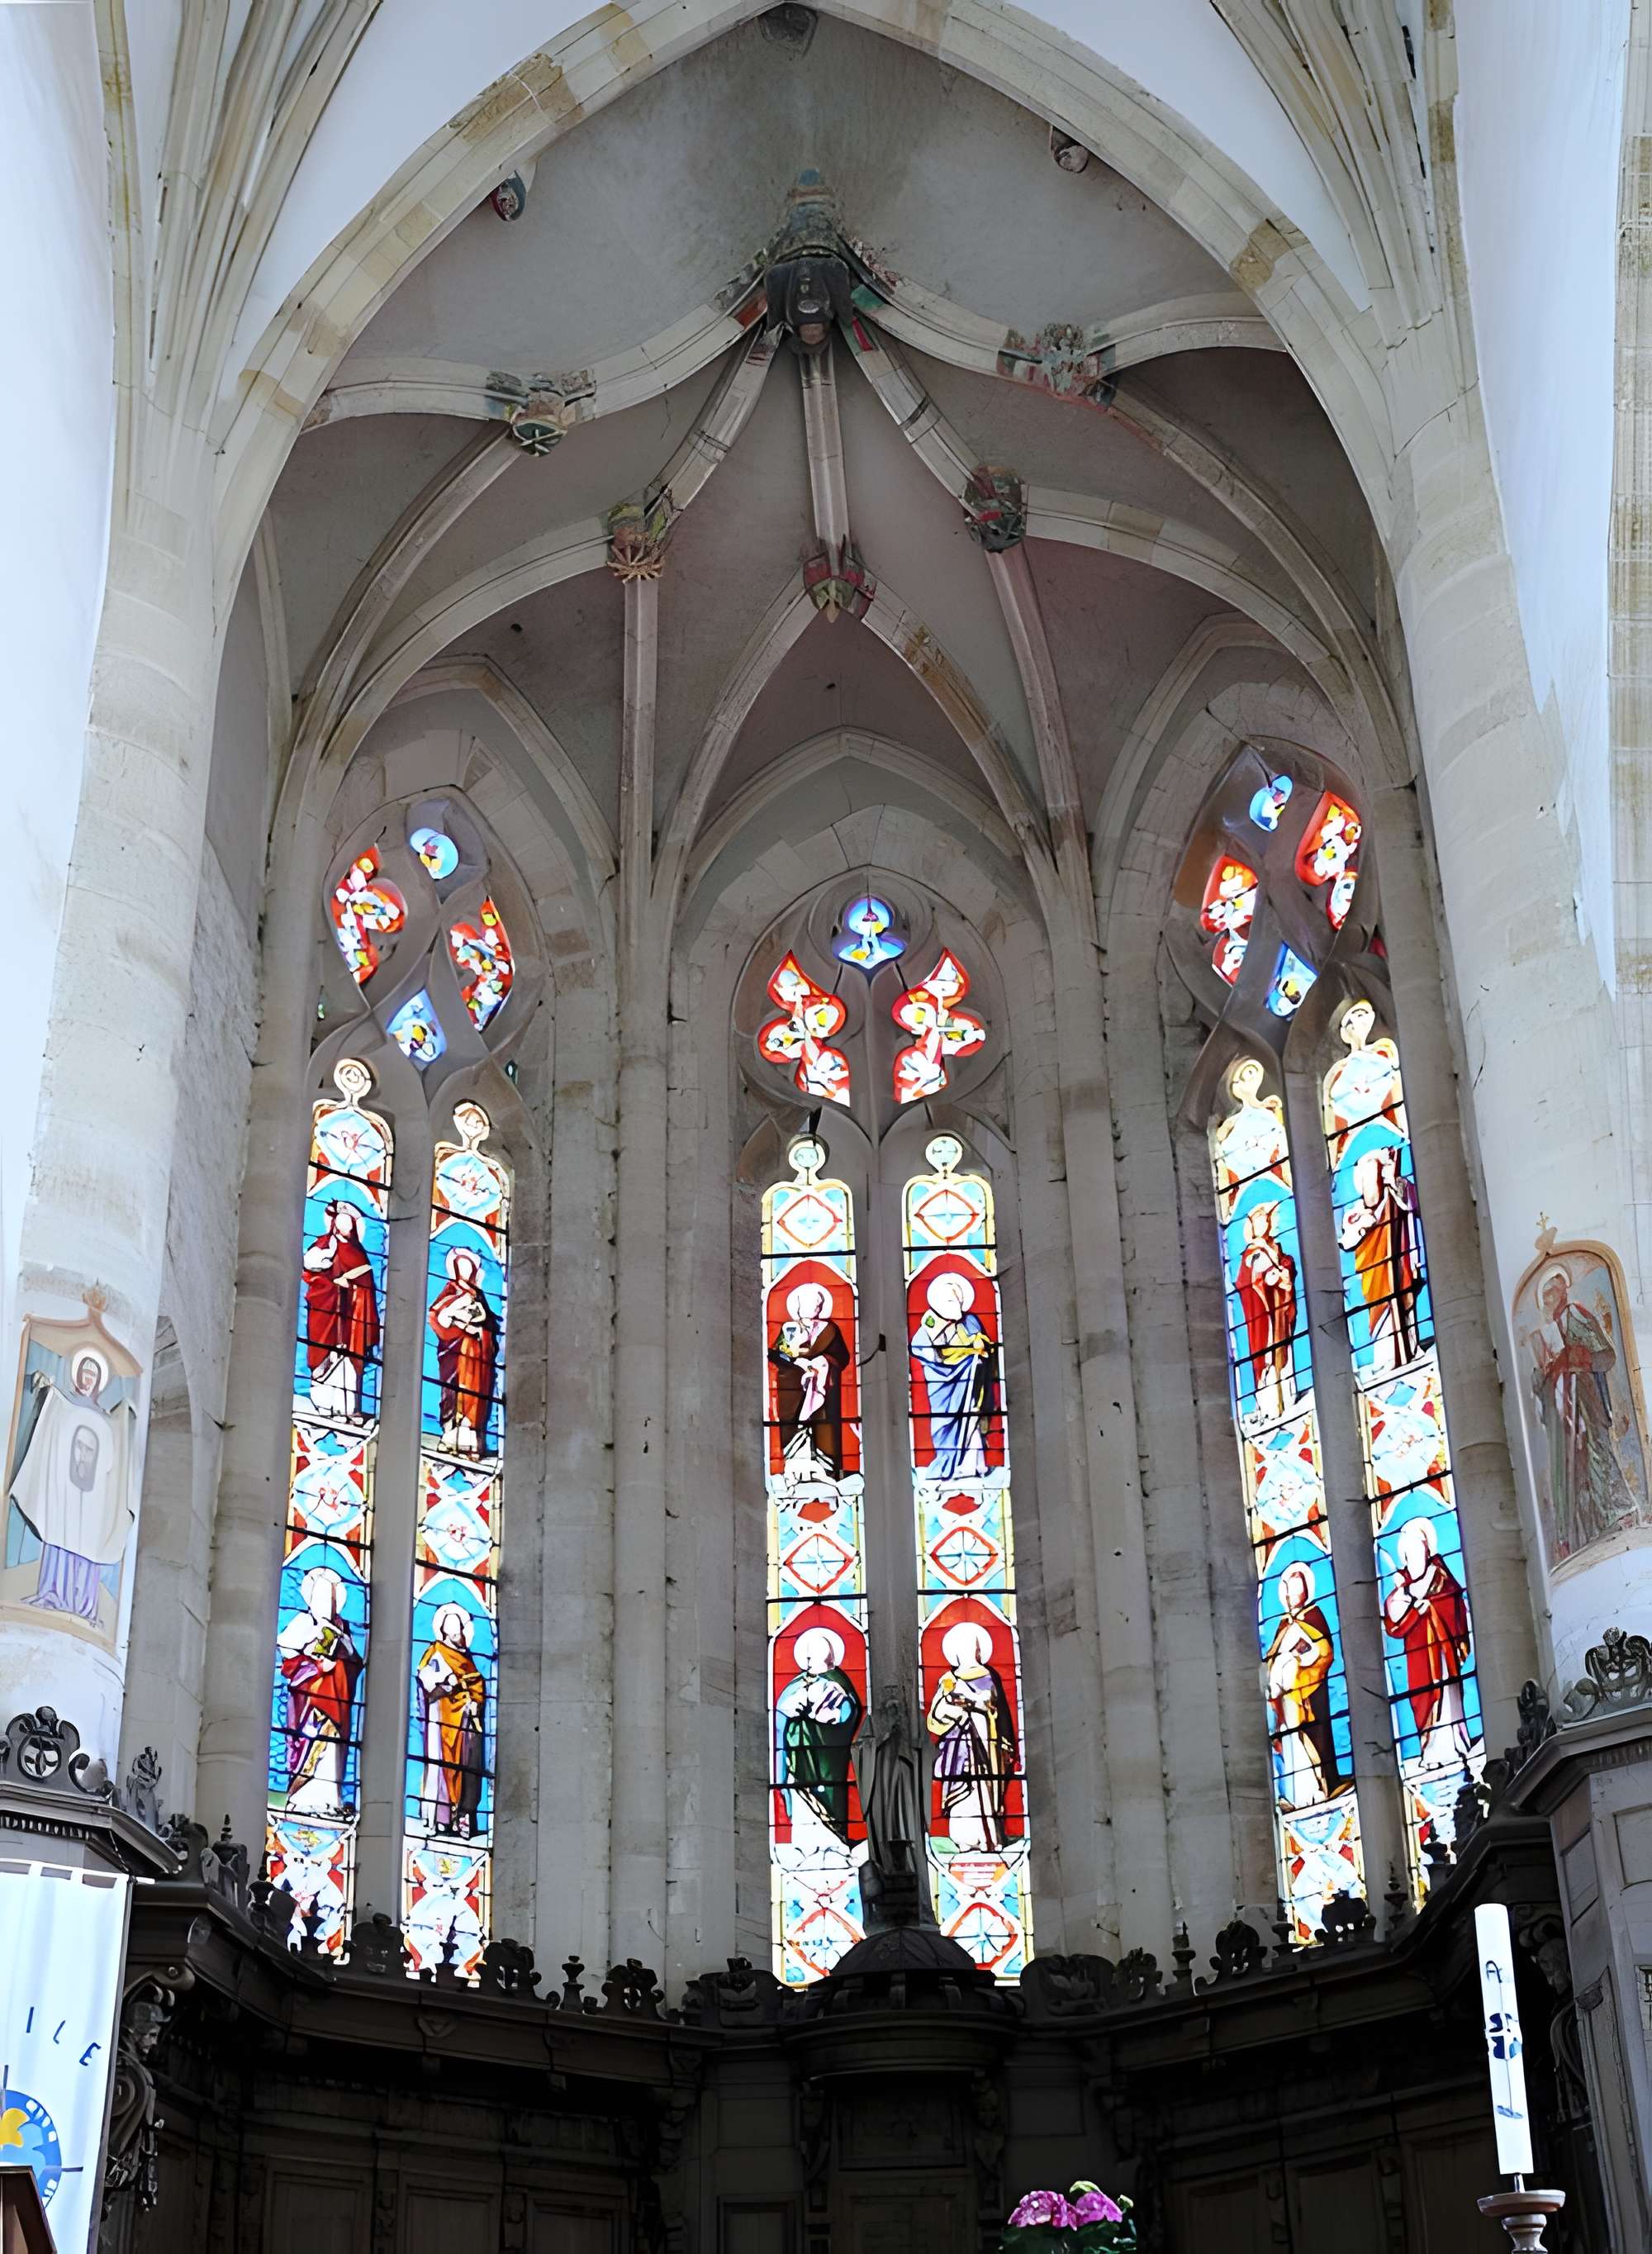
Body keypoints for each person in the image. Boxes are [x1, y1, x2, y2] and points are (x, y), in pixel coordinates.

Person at [7, 1346, 136, 1624]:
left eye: (93, 1375)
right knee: (60, 1537)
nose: (88, 1379)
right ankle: (52, 1591)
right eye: (85, 1373)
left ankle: (84, 1603)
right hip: (65, 1490)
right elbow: (55, 1438)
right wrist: (46, 1389)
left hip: (91, 1496)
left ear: (99, 1381)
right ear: (77, 1375)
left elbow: (110, 1460)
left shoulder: (106, 1419)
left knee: (87, 1542)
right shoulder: (63, 1404)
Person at [1527, 1263, 1641, 1560]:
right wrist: (1544, 1374)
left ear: (1563, 1289)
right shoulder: (1546, 1334)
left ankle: (1619, 1516)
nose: (1549, 1300)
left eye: (1552, 1291)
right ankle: (1587, 1533)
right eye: (1545, 1296)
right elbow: (1541, 1392)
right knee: (1574, 1473)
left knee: (1599, 1458)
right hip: (1564, 1417)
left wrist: (1580, 1358)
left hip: (1588, 1405)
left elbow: (1608, 1356)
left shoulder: (1578, 1315)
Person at [1381, 1517, 1473, 1767]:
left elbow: (1451, 1600)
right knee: (1421, 1698)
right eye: (1409, 1550)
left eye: (1419, 1547)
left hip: (1442, 1649)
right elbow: (1394, 1621)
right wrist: (1411, 1604)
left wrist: (1426, 1606)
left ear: (1428, 1549)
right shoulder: (1401, 1587)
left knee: (1445, 1693)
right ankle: (1430, 1750)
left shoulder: (1439, 1573)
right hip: (1418, 1653)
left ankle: (1454, 1745)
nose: (1415, 1554)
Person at [277, 1567, 363, 1814]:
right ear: (311, 1599)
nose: (325, 1603)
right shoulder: (304, 1622)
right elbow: (287, 1651)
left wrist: (343, 1654)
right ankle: (302, 1797)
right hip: (308, 1700)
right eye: (320, 1597)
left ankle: (330, 1799)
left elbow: (355, 1664)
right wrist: (314, 1660)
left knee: (332, 1746)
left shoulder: (341, 1627)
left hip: (336, 1700)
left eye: (330, 1598)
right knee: (307, 1742)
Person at [926, 1621, 1016, 1852]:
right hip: (957, 1747)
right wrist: (956, 1710)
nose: (970, 1651)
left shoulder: (989, 1675)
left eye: (973, 1646)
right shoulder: (948, 1679)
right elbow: (935, 1717)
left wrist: (978, 1704)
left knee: (983, 1788)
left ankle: (988, 1837)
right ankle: (965, 1839)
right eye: (964, 1646)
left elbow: (999, 1710)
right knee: (961, 1789)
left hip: (987, 1742)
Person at [776, 1626, 863, 1847]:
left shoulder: (838, 1683)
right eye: (807, 1656)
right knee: (802, 1800)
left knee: (829, 1799)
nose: (808, 1661)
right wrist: (793, 1707)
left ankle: (834, 1842)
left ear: (829, 1658)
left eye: (813, 1656)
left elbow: (847, 1713)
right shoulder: (799, 1683)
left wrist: (821, 1712)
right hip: (799, 1759)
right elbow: (781, 1714)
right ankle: (804, 1845)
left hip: (828, 1759)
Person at [1340, 1145, 1423, 1372]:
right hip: (1373, 1272)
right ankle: (1387, 1359)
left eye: (1375, 1174)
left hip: (1398, 1263)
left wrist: (1395, 1182)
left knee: (1404, 1301)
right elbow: (1346, 1242)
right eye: (1367, 1178)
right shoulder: (1355, 1212)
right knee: (1381, 1312)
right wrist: (1360, 1227)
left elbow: (1412, 1201)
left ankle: (1411, 1349)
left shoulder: (1394, 1194)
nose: (1371, 1184)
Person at [1265, 1562, 1342, 1809]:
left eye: (1297, 1591)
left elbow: (1325, 1653)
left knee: (1310, 1738)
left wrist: (1300, 1661)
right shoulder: (1282, 1626)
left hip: (1310, 1693)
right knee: (1289, 1739)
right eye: (1288, 1591)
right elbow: (1271, 1657)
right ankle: (1296, 1795)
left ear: (1306, 1592)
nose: (1291, 1597)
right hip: (1287, 1697)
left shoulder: (1315, 1617)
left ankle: (1317, 1790)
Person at [910, 1272, 995, 1481]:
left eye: (958, 1299)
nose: (956, 1303)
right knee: (944, 1424)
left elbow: (984, 1345)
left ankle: (974, 1464)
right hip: (942, 1384)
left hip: (969, 1378)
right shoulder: (930, 1322)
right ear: (939, 1302)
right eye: (950, 1300)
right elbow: (918, 1346)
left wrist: (979, 1346)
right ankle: (952, 1463)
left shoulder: (970, 1320)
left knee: (971, 1417)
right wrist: (938, 1348)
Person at [302, 1200, 381, 1423]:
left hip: (352, 1317)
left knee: (348, 1360)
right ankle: (324, 1406)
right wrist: (335, 1283)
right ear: (334, 1223)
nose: (346, 1227)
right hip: (326, 1310)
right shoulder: (325, 1244)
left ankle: (347, 1409)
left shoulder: (359, 1253)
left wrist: (355, 1289)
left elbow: (367, 1286)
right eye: (342, 1222)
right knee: (324, 1356)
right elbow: (311, 1270)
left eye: (350, 1223)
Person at [415, 1602, 488, 1837]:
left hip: (466, 1722)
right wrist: (446, 1684)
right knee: (442, 1766)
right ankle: (442, 1818)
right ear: (444, 1630)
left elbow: (477, 1686)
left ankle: (464, 1817)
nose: (458, 1634)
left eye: (460, 1629)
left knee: (468, 1765)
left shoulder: (468, 1660)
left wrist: (475, 1702)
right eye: (453, 1629)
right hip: (442, 1719)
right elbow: (426, 1681)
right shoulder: (435, 1652)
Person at [770, 1282, 851, 1482]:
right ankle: (796, 1467)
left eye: (818, 1303)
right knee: (795, 1425)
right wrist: (797, 1362)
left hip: (823, 1389)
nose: (816, 1306)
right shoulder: (789, 1328)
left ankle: (827, 1470)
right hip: (793, 1389)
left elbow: (842, 1357)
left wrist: (822, 1362)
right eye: (811, 1303)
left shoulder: (830, 1329)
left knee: (824, 1427)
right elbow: (777, 1354)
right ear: (798, 1305)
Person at [428, 1248, 500, 1457]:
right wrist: (461, 1325)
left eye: (470, 1267)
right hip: (453, 1354)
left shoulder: (478, 1296)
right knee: (452, 1393)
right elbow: (437, 1317)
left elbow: (488, 1324)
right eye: (462, 1267)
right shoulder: (450, 1291)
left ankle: (471, 1441)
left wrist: (479, 1330)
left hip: (477, 1358)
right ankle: (451, 1437)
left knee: (474, 1395)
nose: (466, 1272)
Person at [1234, 1203, 1298, 1424]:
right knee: (1266, 1356)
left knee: (1283, 1351)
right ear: (1251, 1225)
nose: (1265, 1222)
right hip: (1263, 1316)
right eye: (1259, 1218)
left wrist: (1285, 1276)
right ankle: (1270, 1405)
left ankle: (1287, 1398)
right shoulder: (1250, 1254)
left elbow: (1287, 1266)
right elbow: (1244, 1281)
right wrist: (1263, 1279)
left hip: (1279, 1310)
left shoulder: (1277, 1249)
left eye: (1267, 1217)